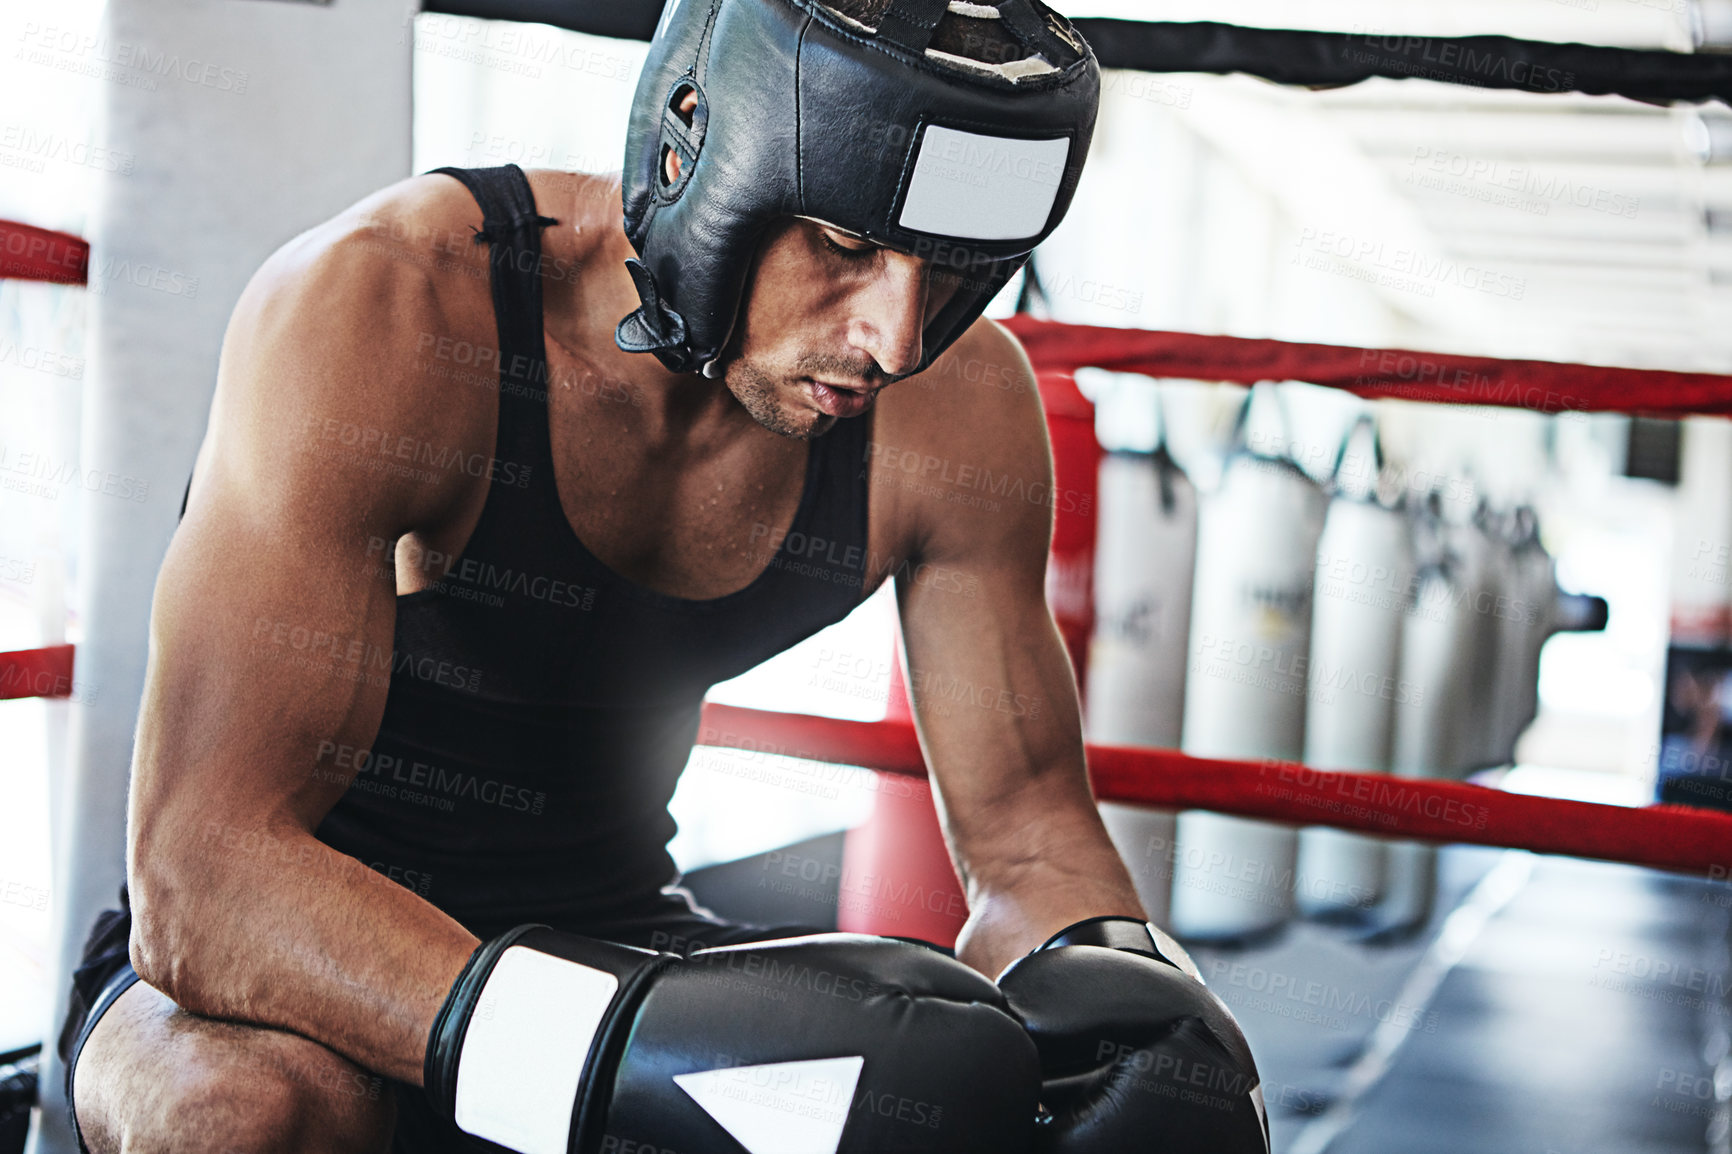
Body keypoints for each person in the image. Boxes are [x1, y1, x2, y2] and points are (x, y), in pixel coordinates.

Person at [58, 1, 1268, 1151]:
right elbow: (204, 876)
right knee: (242, 1113)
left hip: (610, 945)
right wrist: (595, 1049)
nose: (895, 336)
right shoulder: (390, 305)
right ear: (708, 161)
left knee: (943, 1099)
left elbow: (1029, 835)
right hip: (278, 968)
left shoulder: (959, 413)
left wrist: (1138, 1013)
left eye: (951, 267)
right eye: (847, 245)